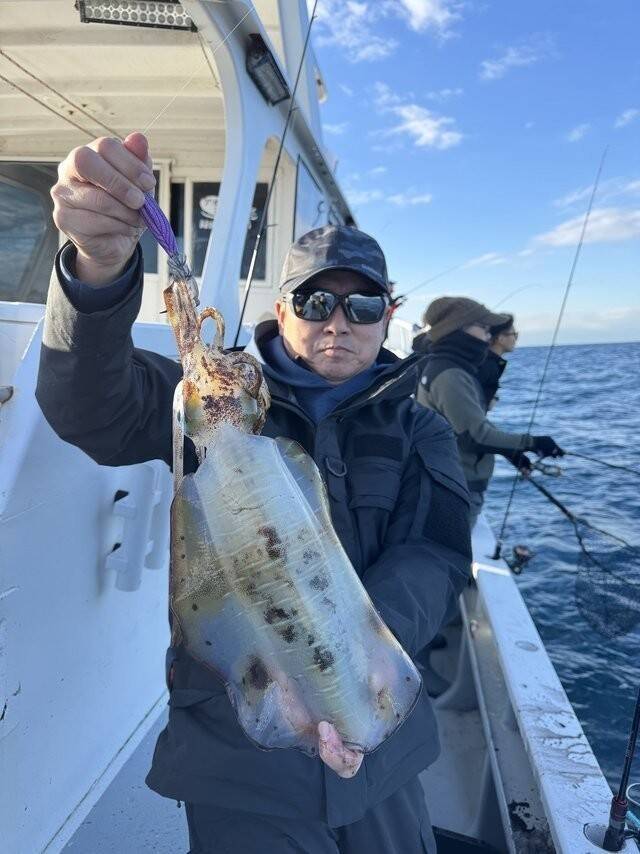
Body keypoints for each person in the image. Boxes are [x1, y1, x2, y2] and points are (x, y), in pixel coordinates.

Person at [36, 133, 472, 854]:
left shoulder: (420, 427)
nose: (338, 322)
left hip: (380, 743)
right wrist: (98, 271)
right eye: (316, 300)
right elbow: (92, 409)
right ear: (282, 306)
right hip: (241, 754)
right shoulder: (212, 398)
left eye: (363, 305)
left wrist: (355, 658)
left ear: (390, 313)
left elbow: (435, 554)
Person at [415, 296, 564, 526]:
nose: (488, 336)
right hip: (458, 484)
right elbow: (476, 436)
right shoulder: (451, 375)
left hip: (447, 478)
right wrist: (533, 443)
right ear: (458, 328)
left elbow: (468, 423)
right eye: (484, 328)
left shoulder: (442, 366)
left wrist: (513, 452)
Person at [476, 313, 518, 409]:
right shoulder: (488, 365)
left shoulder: (487, 361)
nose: (515, 339)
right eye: (514, 335)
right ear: (500, 338)